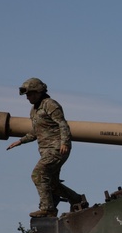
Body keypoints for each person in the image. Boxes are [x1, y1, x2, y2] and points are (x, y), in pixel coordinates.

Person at [7, 77, 88, 217]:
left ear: (38, 92)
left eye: (30, 94)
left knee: (38, 174)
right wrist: (20, 141)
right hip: (46, 151)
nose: (27, 98)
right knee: (52, 184)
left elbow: (63, 124)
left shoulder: (50, 105)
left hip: (57, 148)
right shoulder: (34, 110)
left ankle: (48, 208)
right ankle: (76, 199)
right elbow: (36, 132)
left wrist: (64, 143)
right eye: (26, 95)